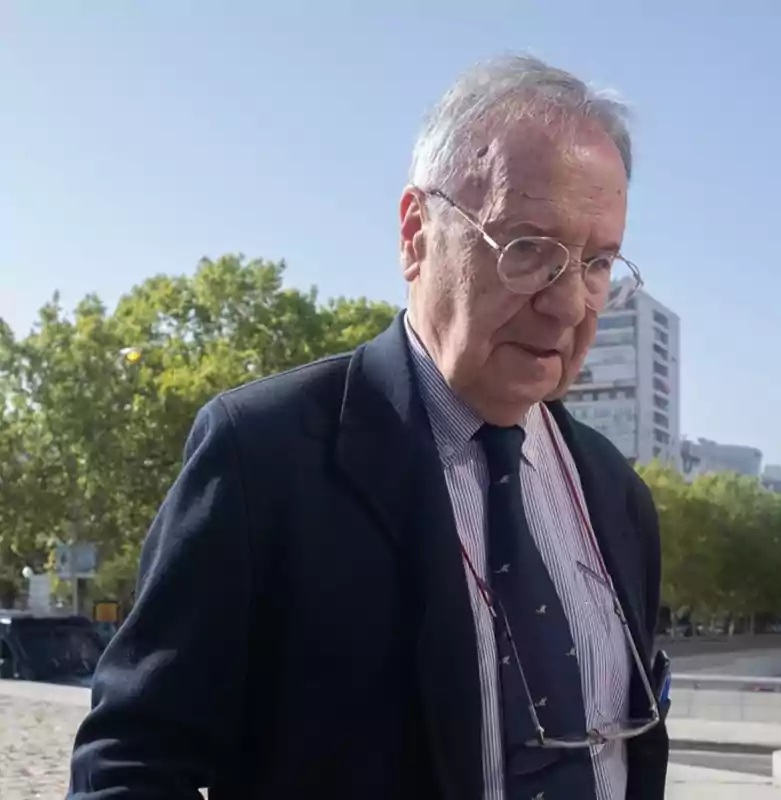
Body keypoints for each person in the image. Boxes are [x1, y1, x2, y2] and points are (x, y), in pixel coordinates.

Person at [68, 54, 669, 800]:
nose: (569, 303)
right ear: (417, 233)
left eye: (597, 262)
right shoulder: (263, 458)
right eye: (530, 250)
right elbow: (132, 765)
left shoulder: (618, 497)